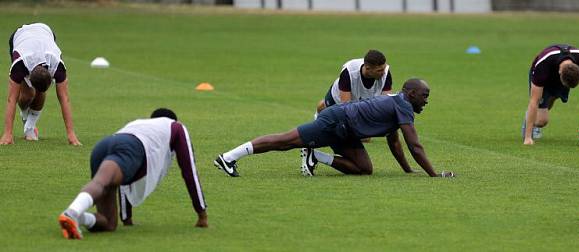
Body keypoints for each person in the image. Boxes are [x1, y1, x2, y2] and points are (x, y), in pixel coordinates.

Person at [214, 78, 454, 178]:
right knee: (285, 141)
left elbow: (395, 141)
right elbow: (415, 145)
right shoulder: (403, 105)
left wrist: (409, 171)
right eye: (424, 95)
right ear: (411, 93)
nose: (426, 100)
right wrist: (435, 175)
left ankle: (315, 155)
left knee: (364, 169)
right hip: (336, 120)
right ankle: (228, 157)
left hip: (347, 130)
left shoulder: (399, 104)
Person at [58, 108, 207, 240]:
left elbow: (125, 180)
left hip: (103, 145)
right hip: (129, 147)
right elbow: (189, 171)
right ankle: (72, 212)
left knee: (109, 223)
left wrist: (127, 218)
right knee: (101, 182)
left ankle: (78, 218)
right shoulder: (176, 127)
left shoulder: (139, 124)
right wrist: (202, 215)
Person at [1, 23, 80, 145]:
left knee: (39, 93)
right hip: (19, 37)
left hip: (45, 31)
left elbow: (65, 98)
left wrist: (71, 134)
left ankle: (29, 128)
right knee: (27, 94)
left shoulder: (58, 66)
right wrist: (7, 133)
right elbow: (12, 99)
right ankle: (24, 115)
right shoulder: (19, 65)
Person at [522, 44, 579, 145]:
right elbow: (534, 101)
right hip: (544, 75)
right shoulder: (543, 66)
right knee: (541, 120)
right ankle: (529, 122)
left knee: (553, 96)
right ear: (560, 73)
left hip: (558, 70)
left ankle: (538, 111)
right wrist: (528, 138)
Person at [316, 49, 393, 113]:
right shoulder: (348, 72)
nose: (383, 72)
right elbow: (346, 107)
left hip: (366, 98)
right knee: (325, 110)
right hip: (339, 98)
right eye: (379, 70)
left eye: (384, 68)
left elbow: (386, 103)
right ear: (368, 68)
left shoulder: (385, 73)